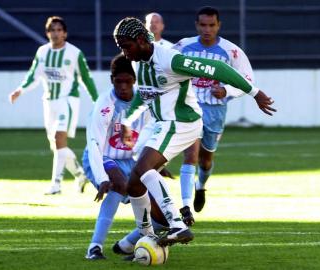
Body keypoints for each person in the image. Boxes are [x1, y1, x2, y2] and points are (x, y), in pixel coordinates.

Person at [113, 17, 275, 246]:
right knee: (134, 185)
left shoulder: (169, 59)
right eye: (120, 47)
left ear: (140, 40)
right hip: (165, 123)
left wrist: (255, 93)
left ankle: (177, 224)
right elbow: (145, 92)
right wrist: (128, 120)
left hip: (182, 122)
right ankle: (145, 235)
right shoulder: (138, 61)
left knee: (143, 168)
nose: (123, 52)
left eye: (125, 45)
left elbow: (217, 68)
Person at [83, 54, 169, 260]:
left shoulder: (145, 100)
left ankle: (128, 244)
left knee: (161, 214)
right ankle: (94, 247)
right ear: (112, 80)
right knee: (118, 186)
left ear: (135, 80)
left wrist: (156, 164)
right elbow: (94, 142)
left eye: (127, 81)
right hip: (103, 157)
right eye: (118, 81)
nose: (122, 86)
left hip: (131, 159)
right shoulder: (105, 104)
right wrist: (103, 177)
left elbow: (153, 132)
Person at [174, 6, 258, 214]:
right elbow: (167, 69)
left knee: (206, 159)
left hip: (215, 111)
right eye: (203, 25)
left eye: (211, 25)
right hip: (189, 108)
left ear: (218, 25)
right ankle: (185, 205)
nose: (207, 29)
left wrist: (227, 89)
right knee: (190, 155)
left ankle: (201, 186)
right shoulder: (183, 46)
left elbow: (247, 79)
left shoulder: (232, 51)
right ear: (196, 25)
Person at [9, 16, 98, 195]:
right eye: (52, 30)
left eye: (59, 30)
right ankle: (80, 174)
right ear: (47, 33)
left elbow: (86, 79)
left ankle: (56, 185)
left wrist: (98, 102)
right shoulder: (42, 52)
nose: (55, 33)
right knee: (57, 146)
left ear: (65, 33)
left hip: (68, 101)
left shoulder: (74, 53)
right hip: (49, 103)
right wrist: (20, 90)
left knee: (59, 139)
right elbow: (33, 75)